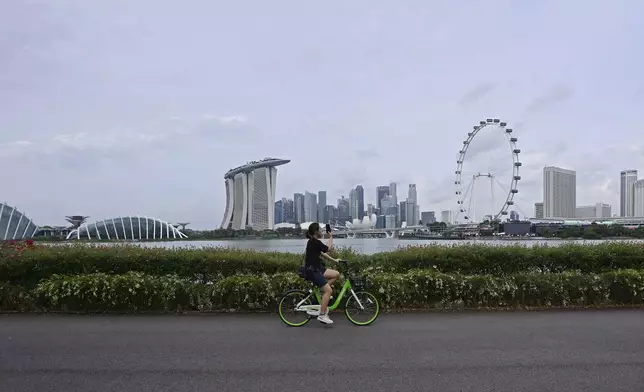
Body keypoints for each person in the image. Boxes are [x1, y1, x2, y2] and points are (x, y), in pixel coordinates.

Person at [303, 222, 340, 324]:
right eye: (320, 229)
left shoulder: (313, 242)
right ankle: (322, 315)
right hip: (312, 271)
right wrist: (331, 236)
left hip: (318, 269)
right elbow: (328, 249)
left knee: (336, 274)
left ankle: (322, 292)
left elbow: (322, 254)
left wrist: (334, 260)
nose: (321, 231)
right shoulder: (315, 242)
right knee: (328, 291)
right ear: (316, 232)